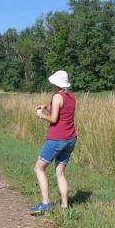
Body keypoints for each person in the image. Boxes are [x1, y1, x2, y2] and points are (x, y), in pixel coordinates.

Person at [29, 70, 76, 214]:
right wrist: (45, 106)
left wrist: (41, 115)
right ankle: (65, 207)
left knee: (39, 168)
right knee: (60, 173)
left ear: (56, 83)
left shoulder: (56, 97)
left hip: (57, 139)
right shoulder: (71, 98)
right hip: (71, 139)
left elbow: (54, 119)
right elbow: (62, 111)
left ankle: (45, 203)